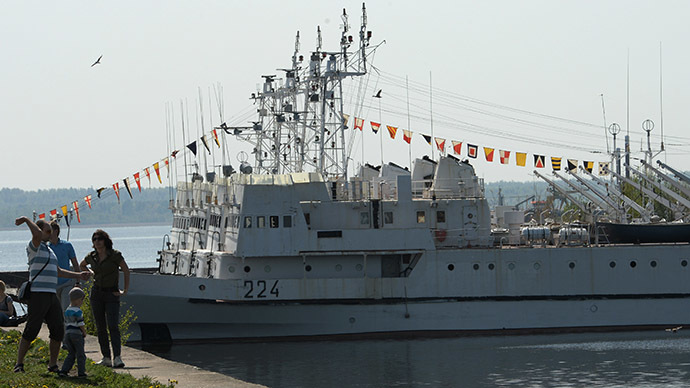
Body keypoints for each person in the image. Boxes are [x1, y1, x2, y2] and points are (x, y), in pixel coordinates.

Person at [13, 216, 91, 374]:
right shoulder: (34, 246)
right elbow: (36, 234)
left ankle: (53, 364)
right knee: (32, 329)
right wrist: (27, 220)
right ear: (39, 231)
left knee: (57, 329)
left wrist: (78, 275)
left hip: (50, 293)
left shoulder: (49, 250)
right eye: (47, 230)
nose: (51, 233)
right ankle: (19, 364)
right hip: (38, 294)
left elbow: (59, 271)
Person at [79, 229, 130, 368]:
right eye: (94, 239)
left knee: (113, 326)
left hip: (111, 293)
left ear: (105, 240)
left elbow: (126, 270)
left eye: (99, 238)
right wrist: (90, 273)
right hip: (96, 293)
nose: (97, 241)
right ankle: (106, 357)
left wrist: (124, 290)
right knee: (100, 327)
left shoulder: (115, 255)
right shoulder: (92, 256)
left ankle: (117, 357)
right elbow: (82, 264)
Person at [48, 221, 80, 311]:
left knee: (65, 308)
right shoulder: (46, 247)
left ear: (56, 231)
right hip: (53, 284)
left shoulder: (67, 245)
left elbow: (75, 264)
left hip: (66, 283)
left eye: (49, 230)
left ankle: (67, 325)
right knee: (55, 311)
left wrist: (78, 282)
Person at [59, 287, 87, 378]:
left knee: (71, 353)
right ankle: (81, 372)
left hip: (68, 334)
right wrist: (84, 332)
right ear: (78, 300)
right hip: (77, 334)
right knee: (80, 354)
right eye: (82, 300)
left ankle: (64, 370)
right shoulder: (78, 311)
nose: (82, 302)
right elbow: (80, 323)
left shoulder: (67, 310)